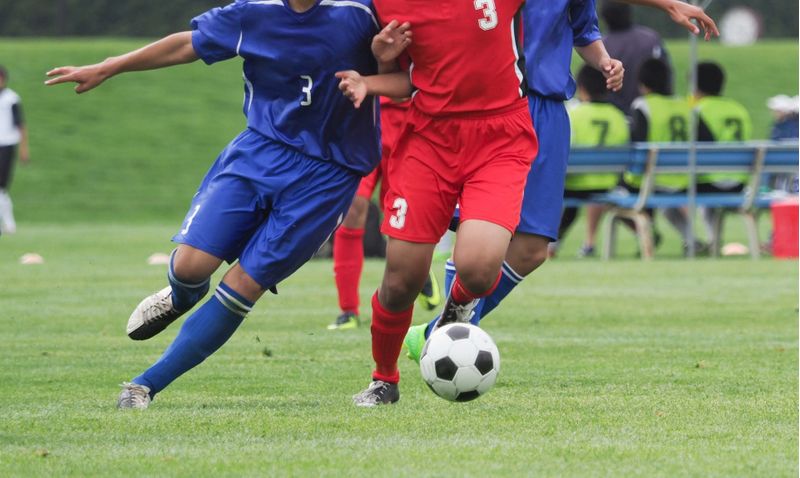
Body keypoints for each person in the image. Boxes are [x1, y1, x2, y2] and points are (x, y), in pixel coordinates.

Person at [46, 0, 411, 409]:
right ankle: (180, 298)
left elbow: (408, 76)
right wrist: (110, 65)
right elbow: (189, 44)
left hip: (329, 173)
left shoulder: (362, 12)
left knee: (243, 284)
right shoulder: (254, 12)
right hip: (260, 152)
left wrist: (379, 64)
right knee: (189, 267)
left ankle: (143, 385)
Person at [402, 0, 716, 363]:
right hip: (497, 105)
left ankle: (433, 334)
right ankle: (439, 336)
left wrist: (602, 60)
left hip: (549, 112)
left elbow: (581, 28)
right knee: (480, 233)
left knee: (533, 248)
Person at [339, 0, 540, 407]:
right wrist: (374, 72)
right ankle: (384, 379)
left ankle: (454, 312)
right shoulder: (384, 5)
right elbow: (410, 78)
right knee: (401, 282)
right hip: (429, 140)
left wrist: (667, 4)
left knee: (480, 270)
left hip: (500, 138)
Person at [329, 99, 442, 331]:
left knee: (399, 216)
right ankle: (348, 310)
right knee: (351, 209)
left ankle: (415, 265)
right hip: (364, 121)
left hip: (412, 123)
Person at [558, 65, 630, 258]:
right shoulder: (619, 116)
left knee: (565, 200)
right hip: (608, 185)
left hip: (574, 185)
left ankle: (553, 243)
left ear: (581, 88)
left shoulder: (573, 114)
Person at [694, 61, 753, 248]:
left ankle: (703, 242)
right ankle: (713, 242)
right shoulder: (739, 109)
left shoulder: (697, 109)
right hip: (739, 182)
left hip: (709, 181)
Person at [601, 1, 673, 114]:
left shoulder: (601, 47)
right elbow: (666, 74)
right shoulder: (651, 39)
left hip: (617, 116)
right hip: (651, 113)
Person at [0, 65, 30, 235]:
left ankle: (9, 224)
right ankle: (8, 225)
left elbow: (21, 126)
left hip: (6, 144)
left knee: (1, 186)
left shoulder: (11, 99)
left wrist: (24, 149)